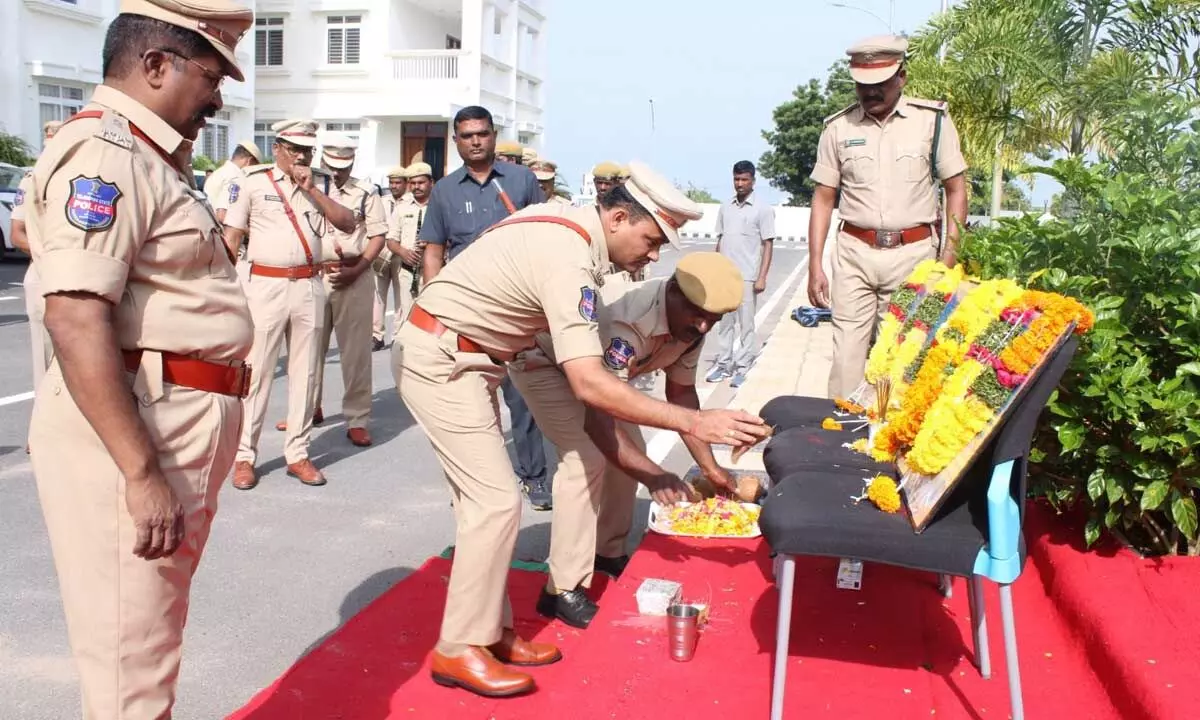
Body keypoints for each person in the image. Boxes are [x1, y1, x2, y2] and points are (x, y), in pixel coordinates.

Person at [394, 158, 770, 698]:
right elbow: (593, 389)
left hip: (475, 358)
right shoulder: (570, 259)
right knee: (498, 501)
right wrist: (691, 426)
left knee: (496, 500)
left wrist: (695, 455)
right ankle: (459, 648)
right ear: (617, 218)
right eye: (651, 237)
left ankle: (493, 633)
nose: (654, 254)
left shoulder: (570, 234)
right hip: (443, 359)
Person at [23, 2, 255, 715]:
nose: (218, 100)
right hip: (139, 427)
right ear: (156, 65)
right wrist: (140, 470)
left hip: (176, 414)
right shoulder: (107, 154)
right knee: (132, 661)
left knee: (150, 640)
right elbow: (74, 314)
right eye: (211, 76)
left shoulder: (149, 156)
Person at [508, 252, 745, 628]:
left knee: (631, 453)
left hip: (601, 380)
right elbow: (600, 421)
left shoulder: (693, 328)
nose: (703, 327)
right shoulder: (626, 324)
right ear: (672, 292)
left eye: (713, 321)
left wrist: (710, 468)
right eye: (698, 316)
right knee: (587, 458)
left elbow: (682, 397)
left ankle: (607, 553)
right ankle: (561, 589)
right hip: (544, 364)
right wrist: (655, 477)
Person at [806, 34, 968, 400]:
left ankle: (887, 441)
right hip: (853, 255)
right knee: (847, 353)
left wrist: (947, 260)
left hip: (913, 257)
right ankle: (840, 434)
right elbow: (823, 198)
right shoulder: (838, 128)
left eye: (879, 85)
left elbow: (956, 189)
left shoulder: (932, 122)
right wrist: (815, 265)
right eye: (863, 86)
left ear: (901, 78)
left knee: (901, 355)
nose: (870, 94)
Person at [419, 105, 551, 510]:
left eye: (482, 133)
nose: (475, 141)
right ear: (456, 141)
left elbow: (546, 236)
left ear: (493, 135)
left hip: (516, 310)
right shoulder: (444, 191)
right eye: (466, 135)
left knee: (522, 399)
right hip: (464, 313)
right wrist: (432, 304)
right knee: (471, 401)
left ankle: (535, 478)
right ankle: (481, 482)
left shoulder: (522, 181)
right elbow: (435, 250)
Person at [221, 119, 356, 490]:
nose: (301, 156)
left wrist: (313, 190)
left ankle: (298, 452)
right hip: (265, 284)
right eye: (295, 149)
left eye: (308, 150)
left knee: (306, 373)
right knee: (257, 372)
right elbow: (232, 236)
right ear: (277, 148)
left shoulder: (322, 183)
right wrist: (224, 290)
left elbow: (347, 223)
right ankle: (244, 456)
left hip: (309, 284)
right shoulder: (253, 183)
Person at [276, 135, 387, 446]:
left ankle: (357, 418)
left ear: (352, 162)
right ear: (322, 160)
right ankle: (308, 410)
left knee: (355, 354)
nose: (337, 172)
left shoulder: (366, 192)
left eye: (344, 166)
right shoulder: (305, 187)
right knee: (307, 349)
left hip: (353, 273)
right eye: (332, 165)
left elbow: (378, 236)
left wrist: (359, 268)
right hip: (314, 275)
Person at [10, 120, 63, 454]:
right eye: (50, 138)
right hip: (44, 274)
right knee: (43, 358)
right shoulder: (31, 181)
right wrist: (52, 254)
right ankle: (42, 432)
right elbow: (17, 234)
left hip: (77, 275)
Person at [706, 160, 776, 388]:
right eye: (736, 179)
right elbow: (721, 239)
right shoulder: (726, 207)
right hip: (725, 276)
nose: (740, 183)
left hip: (747, 277)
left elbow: (768, 244)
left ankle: (743, 367)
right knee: (725, 324)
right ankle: (724, 365)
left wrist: (762, 276)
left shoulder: (763, 209)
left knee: (746, 325)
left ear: (753, 181)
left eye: (744, 179)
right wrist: (715, 270)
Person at [380, 161, 434, 342]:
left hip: (432, 270)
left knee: (431, 312)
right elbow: (391, 240)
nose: (416, 187)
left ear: (430, 182)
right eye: (413, 183)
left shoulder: (439, 206)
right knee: (406, 313)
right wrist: (403, 252)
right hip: (407, 270)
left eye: (421, 182)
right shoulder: (402, 208)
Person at [372, 165, 415, 350]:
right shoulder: (381, 201)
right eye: (391, 183)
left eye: (398, 182)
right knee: (377, 297)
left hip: (400, 254)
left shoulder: (412, 202)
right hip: (381, 255)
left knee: (401, 297)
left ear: (406, 183)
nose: (394, 186)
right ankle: (376, 336)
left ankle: (398, 335)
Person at [207, 139, 263, 219]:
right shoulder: (235, 177)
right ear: (249, 161)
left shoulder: (219, 172)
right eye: (255, 166)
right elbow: (222, 215)